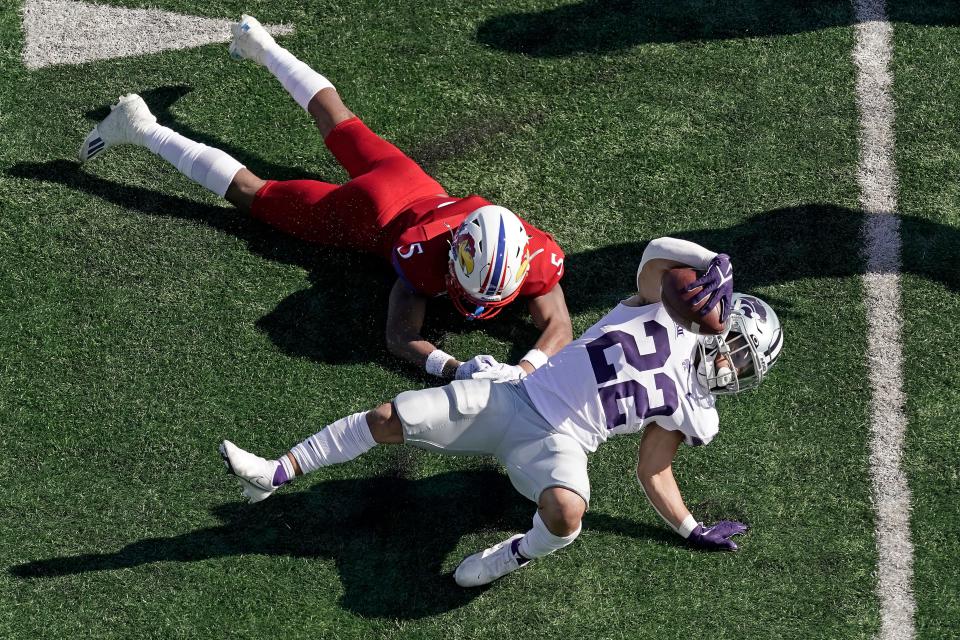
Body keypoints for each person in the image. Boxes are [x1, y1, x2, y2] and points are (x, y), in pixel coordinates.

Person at [219, 236, 784, 587]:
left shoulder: (694, 408)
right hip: (513, 397)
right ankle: (275, 473)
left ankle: (508, 556)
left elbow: (653, 470)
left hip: (562, 445)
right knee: (390, 417)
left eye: (744, 367)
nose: (731, 367)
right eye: (737, 350)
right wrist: (710, 260)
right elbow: (655, 254)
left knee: (567, 514)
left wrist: (690, 528)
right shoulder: (658, 309)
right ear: (725, 320)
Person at [78, 15, 573, 382]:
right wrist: (454, 367)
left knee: (339, 122)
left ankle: (260, 43)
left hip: (411, 182)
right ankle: (143, 128)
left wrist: (525, 365)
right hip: (371, 216)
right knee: (257, 195)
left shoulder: (528, 255)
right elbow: (401, 337)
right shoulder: (424, 258)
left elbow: (558, 327)